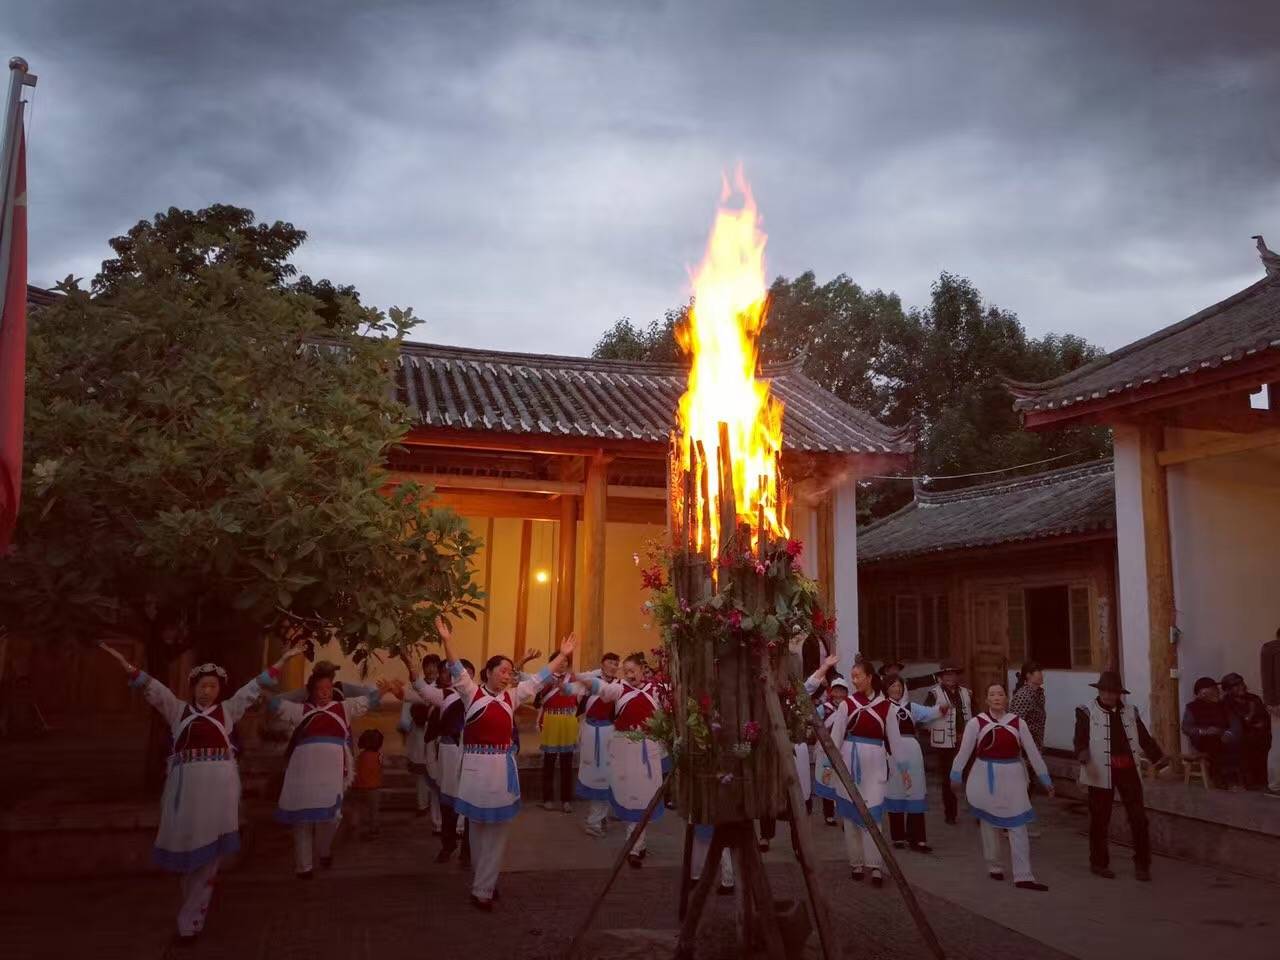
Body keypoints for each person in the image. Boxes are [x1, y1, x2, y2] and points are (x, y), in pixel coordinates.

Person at [98, 640, 301, 942]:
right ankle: (190, 912)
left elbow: (252, 689)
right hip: (186, 795)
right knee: (187, 856)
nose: (208, 691)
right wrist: (127, 666)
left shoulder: (228, 712)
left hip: (217, 795)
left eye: (213, 687)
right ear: (193, 687)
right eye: (203, 686)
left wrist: (282, 660)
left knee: (208, 861)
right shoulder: (178, 711)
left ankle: (190, 921)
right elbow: (154, 691)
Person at [440, 618, 575, 910]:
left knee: (498, 832)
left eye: (509, 672)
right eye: (502, 671)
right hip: (475, 772)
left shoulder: (512, 697)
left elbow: (539, 678)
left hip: (501, 771)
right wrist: (447, 640)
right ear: (487, 672)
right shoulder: (470, 693)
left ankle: (483, 889)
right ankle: (483, 882)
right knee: (477, 832)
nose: (506, 676)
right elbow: (455, 668)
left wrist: (562, 656)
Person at [268, 661, 401, 878]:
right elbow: (274, 704)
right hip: (303, 770)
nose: (324, 693)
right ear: (311, 691)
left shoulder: (343, 707)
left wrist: (387, 688)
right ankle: (304, 867)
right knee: (302, 819)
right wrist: (301, 691)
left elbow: (369, 700)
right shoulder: (301, 710)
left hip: (331, 771)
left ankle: (324, 850)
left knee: (331, 816)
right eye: (319, 689)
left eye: (328, 689)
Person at [806, 654, 907, 888]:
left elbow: (895, 740)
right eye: (852, 677)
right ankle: (856, 863)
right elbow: (836, 737)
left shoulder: (886, 707)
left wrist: (903, 769)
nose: (854, 681)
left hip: (875, 763)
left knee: (873, 815)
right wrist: (830, 765)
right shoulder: (847, 705)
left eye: (858, 676)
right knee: (851, 817)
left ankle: (875, 865)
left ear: (870, 677)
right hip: (849, 762)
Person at [950, 682, 1053, 892]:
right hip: (985, 776)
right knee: (989, 823)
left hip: (1013, 777)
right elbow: (964, 751)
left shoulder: (1018, 723)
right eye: (992, 694)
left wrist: (1046, 780)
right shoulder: (976, 723)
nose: (997, 697)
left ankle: (1024, 875)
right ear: (987, 700)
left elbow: (1033, 753)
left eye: (1000, 694)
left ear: (1006, 699)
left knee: (1018, 824)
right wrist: (955, 775)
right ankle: (994, 865)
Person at [568, 653, 668, 868]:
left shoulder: (657, 690)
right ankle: (633, 846)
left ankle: (639, 843)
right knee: (632, 796)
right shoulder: (619, 688)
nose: (629, 675)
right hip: (626, 751)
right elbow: (600, 687)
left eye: (633, 670)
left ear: (643, 669)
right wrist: (579, 674)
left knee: (646, 798)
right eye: (626, 671)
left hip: (650, 750)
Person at [1074, 671, 1164, 882]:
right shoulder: (1086, 711)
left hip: (1128, 771)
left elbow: (1143, 737)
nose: (1107, 695)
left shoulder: (1131, 712)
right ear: (1099, 691)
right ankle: (1098, 863)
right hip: (1100, 770)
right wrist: (1085, 760)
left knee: (1139, 819)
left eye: (1112, 691)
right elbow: (1080, 740)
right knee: (1099, 819)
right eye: (1104, 690)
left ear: (1119, 694)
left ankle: (1143, 865)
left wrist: (1158, 758)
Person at [883, 675, 948, 853]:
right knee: (895, 790)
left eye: (899, 686)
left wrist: (942, 704)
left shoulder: (912, 707)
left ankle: (918, 838)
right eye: (893, 686)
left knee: (915, 791)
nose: (896, 689)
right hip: (892, 752)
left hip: (912, 751)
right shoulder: (882, 707)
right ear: (886, 688)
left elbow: (933, 712)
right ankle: (898, 836)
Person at [433, 656, 475, 865]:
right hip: (449, 754)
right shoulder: (447, 697)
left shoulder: (480, 699)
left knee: (468, 806)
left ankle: (467, 851)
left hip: (472, 756)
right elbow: (421, 690)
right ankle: (448, 845)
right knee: (448, 803)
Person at [925, 660, 974, 825]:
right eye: (946, 674)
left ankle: (978, 812)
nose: (950, 677)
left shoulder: (967, 693)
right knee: (947, 779)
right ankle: (950, 814)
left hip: (965, 740)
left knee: (971, 777)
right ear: (941, 677)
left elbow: (974, 715)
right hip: (944, 742)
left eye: (952, 674)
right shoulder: (934, 694)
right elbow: (925, 717)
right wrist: (937, 718)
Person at [578, 652, 620, 838]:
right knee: (596, 776)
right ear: (602, 664)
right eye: (610, 662)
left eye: (615, 663)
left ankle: (601, 817)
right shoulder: (590, 680)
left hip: (610, 733)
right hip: (590, 732)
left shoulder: (618, 685)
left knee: (609, 775)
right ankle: (593, 822)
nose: (613, 666)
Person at [1182, 677, 1243, 789]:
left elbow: (1235, 724)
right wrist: (1204, 731)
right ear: (1203, 692)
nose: (1217, 691)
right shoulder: (1192, 707)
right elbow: (1186, 727)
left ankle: (1241, 778)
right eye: (1214, 688)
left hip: (1224, 735)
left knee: (1242, 741)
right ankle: (1220, 778)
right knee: (1214, 742)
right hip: (1203, 739)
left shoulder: (1224, 705)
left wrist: (1228, 734)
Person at [539, 657, 581, 813]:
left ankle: (566, 800)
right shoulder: (545, 676)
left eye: (565, 662)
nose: (563, 664)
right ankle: (548, 798)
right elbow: (526, 678)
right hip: (551, 721)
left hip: (568, 721)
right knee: (548, 763)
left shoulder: (573, 678)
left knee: (567, 763)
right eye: (559, 661)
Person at [1221, 673, 1273, 791]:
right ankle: (1251, 782)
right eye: (1236, 685)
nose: (1242, 687)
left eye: (1242, 683)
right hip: (1240, 735)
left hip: (1260, 732)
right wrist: (1250, 714)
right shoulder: (1226, 703)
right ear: (1228, 690)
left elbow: (1265, 717)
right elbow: (1236, 723)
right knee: (1248, 743)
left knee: (1269, 740)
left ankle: (1267, 780)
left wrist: (1262, 723)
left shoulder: (1254, 698)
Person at [350, 728, 384, 840]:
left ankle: (354, 826)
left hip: (358, 786)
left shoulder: (360, 756)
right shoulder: (379, 756)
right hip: (373, 787)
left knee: (357, 808)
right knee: (374, 810)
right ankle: (374, 829)